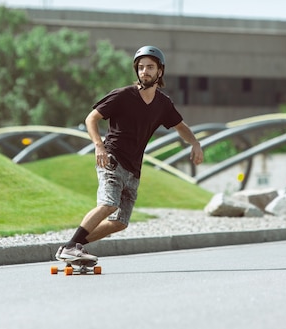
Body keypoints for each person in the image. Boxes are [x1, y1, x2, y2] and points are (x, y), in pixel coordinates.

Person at [55, 45, 204, 263]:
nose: (144, 71)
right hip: (112, 158)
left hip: (134, 168)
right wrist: (98, 145)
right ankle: (70, 247)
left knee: (120, 222)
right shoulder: (123, 95)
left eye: (150, 67)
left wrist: (195, 144)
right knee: (109, 204)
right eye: (141, 67)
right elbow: (91, 119)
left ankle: (72, 246)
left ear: (160, 71)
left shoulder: (163, 104)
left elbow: (180, 126)